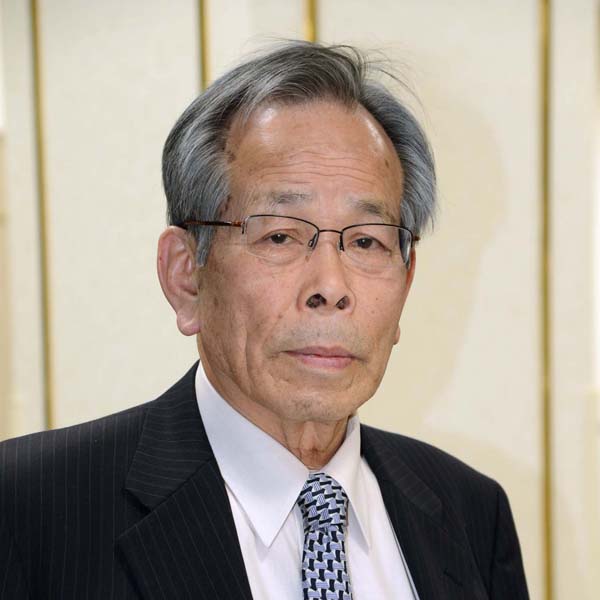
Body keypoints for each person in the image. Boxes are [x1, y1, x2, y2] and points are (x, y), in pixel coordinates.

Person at [0, 41, 529, 599]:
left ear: (407, 279)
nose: (331, 287)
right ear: (186, 276)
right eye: (280, 236)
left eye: (367, 242)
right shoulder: (28, 509)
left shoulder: (472, 513)